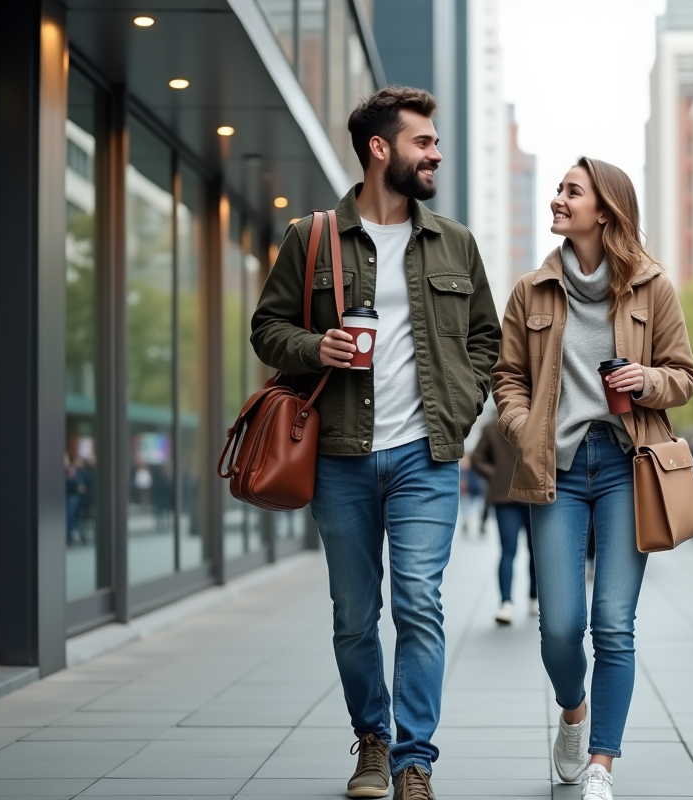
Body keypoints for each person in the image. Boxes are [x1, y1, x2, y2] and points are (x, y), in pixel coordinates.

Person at [251, 86, 501, 800]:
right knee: (356, 611)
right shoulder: (312, 236)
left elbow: (487, 337)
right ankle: (371, 737)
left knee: (419, 601)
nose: (437, 153)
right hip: (339, 456)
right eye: (423, 142)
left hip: (426, 455)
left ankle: (414, 760)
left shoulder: (454, 241)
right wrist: (314, 346)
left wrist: (460, 409)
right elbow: (267, 329)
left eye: (436, 141)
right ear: (380, 149)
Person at [493, 156, 693, 799]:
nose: (558, 199)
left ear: (604, 211)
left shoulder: (653, 287)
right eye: (558, 189)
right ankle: (573, 710)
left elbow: (685, 375)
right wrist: (525, 427)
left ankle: (602, 764)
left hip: (625, 468)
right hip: (556, 467)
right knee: (559, 623)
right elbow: (507, 378)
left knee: (613, 621)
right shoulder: (532, 290)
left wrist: (648, 381)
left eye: (570, 191)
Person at [470, 419, 538, 624]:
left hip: (507, 496)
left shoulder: (492, 427)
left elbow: (476, 459)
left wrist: (494, 475)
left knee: (509, 551)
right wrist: (496, 475)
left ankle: (507, 603)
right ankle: (531, 599)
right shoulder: (535, 421)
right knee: (531, 551)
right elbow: (476, 459)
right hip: (528, 495)